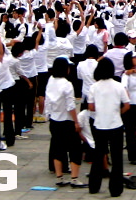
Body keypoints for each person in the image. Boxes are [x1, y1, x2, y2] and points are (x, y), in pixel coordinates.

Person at [89, 58, 130, 197]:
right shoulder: (118, 86)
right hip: (115, 124)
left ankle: (94, 186)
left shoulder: (94, 86)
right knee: (117, 158)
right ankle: (116, 189)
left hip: (99, 125)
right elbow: (127, 105)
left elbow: (91, 107)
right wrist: (116, 112)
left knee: (98, 156)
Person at [45, 57, 86, 188]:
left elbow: (47, 100)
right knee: (75, 149)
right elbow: (71, 106)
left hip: (55, 119)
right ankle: (74, 178)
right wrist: (76, 121)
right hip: (67, 120)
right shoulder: (67, 84)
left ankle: (59, 177)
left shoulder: (50, 80)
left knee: (58, 148)